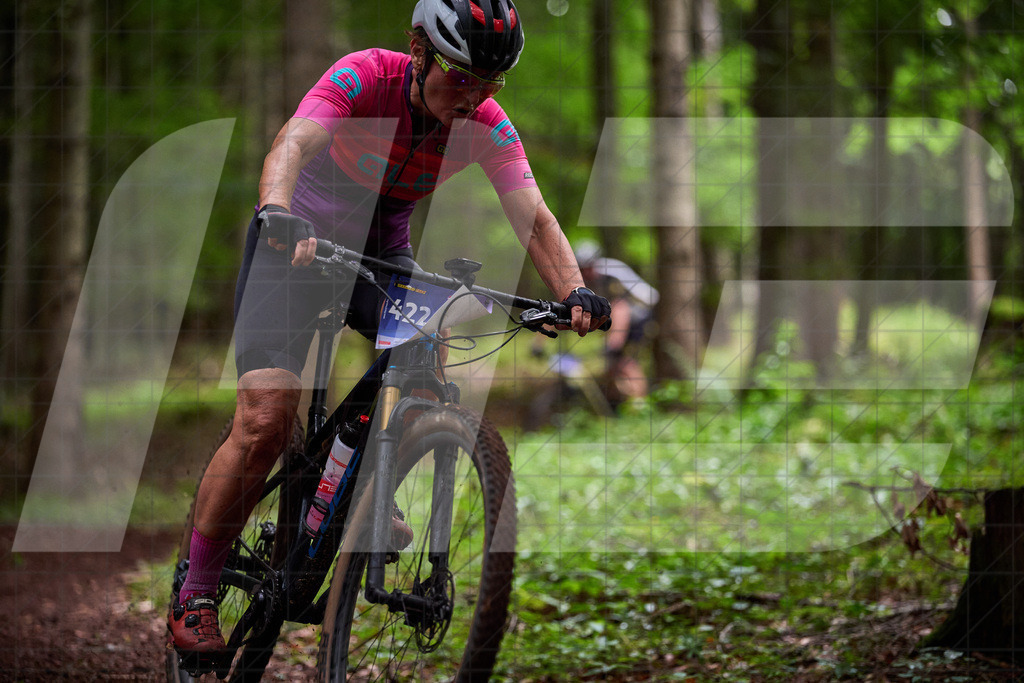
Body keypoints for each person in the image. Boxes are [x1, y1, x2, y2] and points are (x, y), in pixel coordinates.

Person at [167, 0, 610, 666]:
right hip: (299, 241)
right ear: (422, 52)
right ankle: (195, 590)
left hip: (380, 251)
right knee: (265, 420)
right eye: (461, 77)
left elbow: (535, 218)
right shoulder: (363, 77)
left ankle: (370, 492)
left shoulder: (485, 121)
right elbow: (292, 142)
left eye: (490, 84)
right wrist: (277, 212)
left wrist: (572, 291)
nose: (474, 97)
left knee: (424, 347)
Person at [573, 240, 657, 404]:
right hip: (626, 315)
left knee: (626, 362)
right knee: (613, 364)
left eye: (587, 268)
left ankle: (640, 406)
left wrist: (614, 343)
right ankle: (619, 404)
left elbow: (621, 309)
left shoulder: (608, 274)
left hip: (642, 312)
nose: (585, 273)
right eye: (581, 269)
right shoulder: (589, 278)